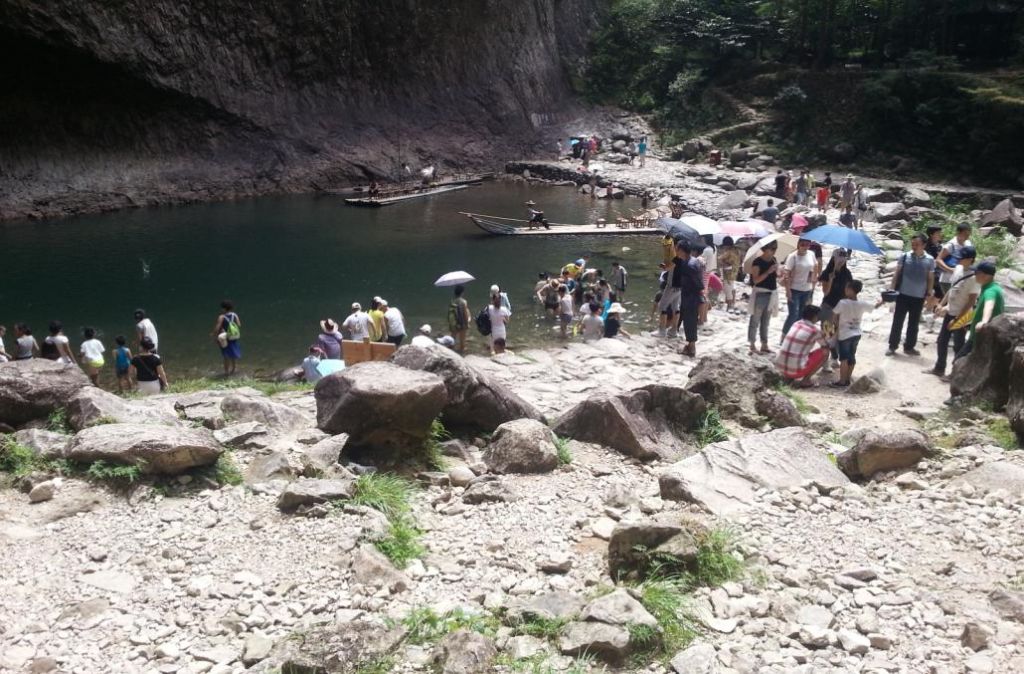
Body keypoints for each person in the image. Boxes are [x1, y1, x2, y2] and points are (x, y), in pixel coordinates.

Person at [927, 246, 978, 378]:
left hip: (963, 315)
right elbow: (952, 289)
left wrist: (957, 319)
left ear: (970, 259)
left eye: (962, 258)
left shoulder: (974, 278)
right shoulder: (958, 269)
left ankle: (956, 373)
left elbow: (971, 301)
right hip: (951, 311)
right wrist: (941, 304)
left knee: (958, 345)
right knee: (942, 340)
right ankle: (939, 368)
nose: (959, 260)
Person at [886, 234, 935, 356]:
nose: (914, 246)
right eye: (913, 244)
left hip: (919, 296)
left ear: (924, 245)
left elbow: (930, 277)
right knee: (898, 321)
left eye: (917, 244)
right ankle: (892, 346)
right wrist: (892, 288)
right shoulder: (905, 256)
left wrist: (929, 292)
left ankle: (909, 346)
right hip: (903, 294)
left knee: (914, 324)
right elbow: (897, 273)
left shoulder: (930, 260)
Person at [830, 280, 876, 388]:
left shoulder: (842, 303)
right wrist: (882, 301)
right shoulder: (862, 304)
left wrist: (835, 327)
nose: (845, 289)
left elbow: (834, 316)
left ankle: (842, 381)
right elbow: (873, 307)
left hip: (845, 334)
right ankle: (847, 379)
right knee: (852, 357)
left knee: (844, 358)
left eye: (846, 288)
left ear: (850, 290)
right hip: (857, 333)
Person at [956, 261, 1005, 361]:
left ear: (986, 276)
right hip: (980, 336)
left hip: (982, 336)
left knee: (958, 361)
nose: (975, 275)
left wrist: (984, 321)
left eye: (977, 273)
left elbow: (989, 305)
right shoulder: (991, 287)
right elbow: (979, 308)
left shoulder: (990, 290)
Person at [776, 304, 830, 387]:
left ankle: (788, 377)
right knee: (825, 352)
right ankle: (806, 380)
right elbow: (825, 346)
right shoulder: (815, 331)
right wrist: (827, 334)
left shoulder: (796, 323)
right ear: (814, 317)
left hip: (780, 367)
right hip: (796, 371)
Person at [818, 248, 854, 369]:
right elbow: (825, 293)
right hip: (828, 308)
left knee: (838, 335)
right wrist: (830, 280)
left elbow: (849, 292)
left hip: (841, 309)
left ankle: (834, 357)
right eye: (839, 259)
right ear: (833, 259)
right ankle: (824, 362)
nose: (841, 261)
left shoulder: (847, 274)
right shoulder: (827, 273)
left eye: (843, 259)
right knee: (828, 335)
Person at [747, 242, 779, 354]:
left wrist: (779, 273)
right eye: (772, 248)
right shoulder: (757, 262)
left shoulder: (774, 260)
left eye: (775, 248)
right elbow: (755, 280)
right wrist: (768, 271)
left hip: (771, 293)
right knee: (755, 320)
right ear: (765, 249)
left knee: (766, 322)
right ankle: (752, 344)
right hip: (760, 293)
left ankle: (764, 344)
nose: (774, 251)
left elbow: (775, 278)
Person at [782, 239, 818, 336]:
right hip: (794, 289)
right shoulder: (792, 256)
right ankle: (784, 335)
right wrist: (788, 290)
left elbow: (815, 266)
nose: (805, 247)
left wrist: (813, 280)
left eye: (807, 245)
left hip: (807, 289)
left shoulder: (811, 254)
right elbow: (786, 274)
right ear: (798, 245)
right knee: (793, 314)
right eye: (803, 245)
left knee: (801, 315)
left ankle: (795, 334)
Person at [936, 223, 974, 295]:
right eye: (965, 234)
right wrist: (950, 270)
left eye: (968, 234)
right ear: (958, 232)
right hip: (947, 280)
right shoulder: (951, 245)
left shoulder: (968, 243)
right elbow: (938, 260)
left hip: (961, 278)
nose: (967, 236)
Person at [212, 300, 242, 375]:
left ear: (224, 308)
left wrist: (214, 335)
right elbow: (239, 325)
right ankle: (233, 369)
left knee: (226, 355)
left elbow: (217, 327)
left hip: (225, 338)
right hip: (233, 337)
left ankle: (226, 372)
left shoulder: (221, 317)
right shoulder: (234, 315)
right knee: (233, 354)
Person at [717, 237, 741, 314]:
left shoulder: (729, 252)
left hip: (728, 273)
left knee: (728, 290)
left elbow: (720, 259)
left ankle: (730, 306)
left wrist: (721, 262)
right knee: (732, 288)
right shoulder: (737, 250)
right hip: (734, 272)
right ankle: (732, 304)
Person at [448, 285, 472, 352]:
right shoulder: (464, 302)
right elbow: (465, 313)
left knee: (453, 337)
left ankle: (450, 349)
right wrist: (467, 323)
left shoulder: (452, 301)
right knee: (462, 338)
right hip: (462, 322)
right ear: (462, 292)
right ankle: (462, 350)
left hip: (454, 322)